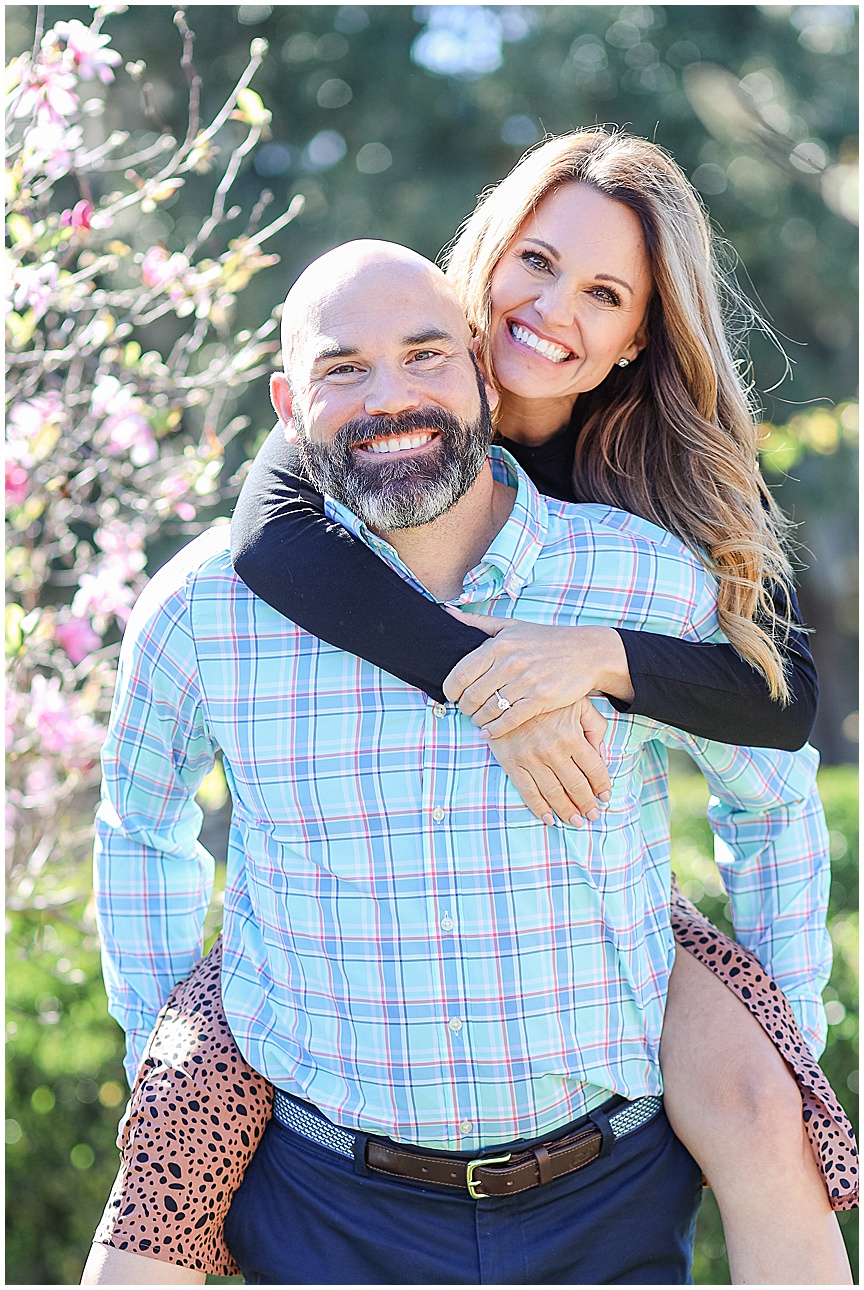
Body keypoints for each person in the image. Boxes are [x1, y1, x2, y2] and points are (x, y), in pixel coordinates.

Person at [83, 236, 847, 1286]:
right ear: (285, 401)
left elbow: (770, 798)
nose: (388, 396)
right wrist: (167, 1048)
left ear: (484, 369)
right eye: (342, 368)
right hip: (322, 1209)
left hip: (608, 1197)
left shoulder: (639, 577)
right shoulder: (202, 609)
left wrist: (784, 1028)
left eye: (426, 354)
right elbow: (140, 826)